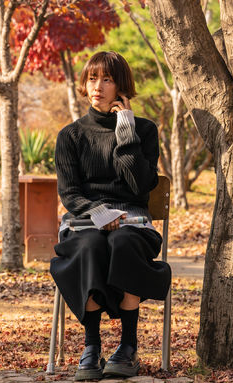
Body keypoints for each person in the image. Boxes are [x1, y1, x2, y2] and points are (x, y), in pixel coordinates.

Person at [51, 51, 171, 381]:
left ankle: (128, 347)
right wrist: (100, 213)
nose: (98, 86)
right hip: (85, 222)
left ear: (121, 86)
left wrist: (126, 129)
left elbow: (140, 185)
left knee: (125, 243)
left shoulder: (143, 130)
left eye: (106, 79)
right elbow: (70, 194)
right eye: (92, 78)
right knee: (90, 247)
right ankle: (91, 347)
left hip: (132, 221)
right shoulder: (71, 136)